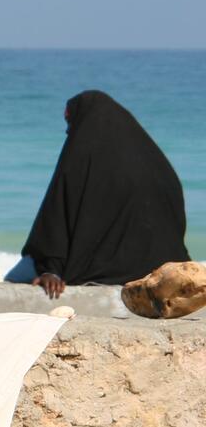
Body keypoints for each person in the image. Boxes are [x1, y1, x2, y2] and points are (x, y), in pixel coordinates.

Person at [22, 90, 190, 299]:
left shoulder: (81, 158)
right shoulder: (159, 166)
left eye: (70, 121)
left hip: (94, 271)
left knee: (19, 272)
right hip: (163, 271)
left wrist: (51, 269)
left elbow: (57, 216)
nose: (68, 130)